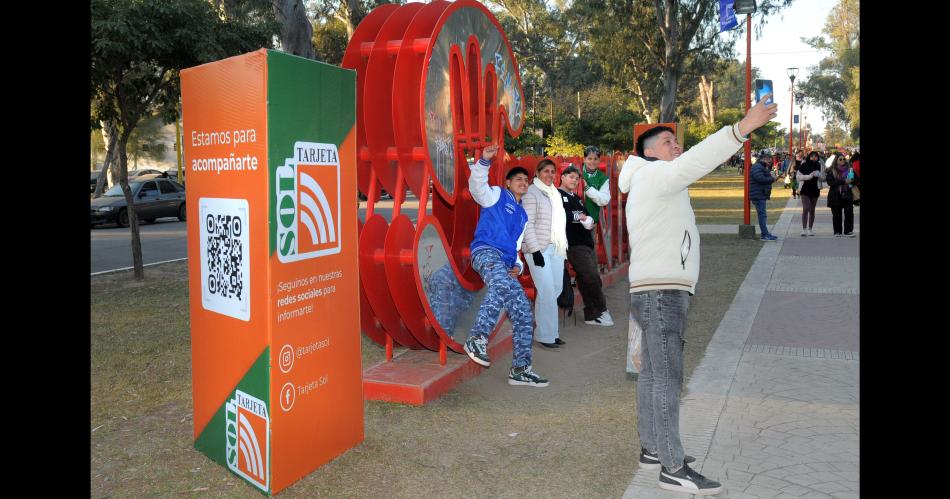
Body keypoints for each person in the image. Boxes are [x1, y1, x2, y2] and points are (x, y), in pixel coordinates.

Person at [617, 94, 777, 496]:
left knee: (653, 375)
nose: (678, 147)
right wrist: (742, 128)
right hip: (662, 294)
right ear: (651, 152)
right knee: (666, 378)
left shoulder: (648, 179)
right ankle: (672, 466)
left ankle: (654, 449)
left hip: (653, 290)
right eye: (670, 143)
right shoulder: (656, 175)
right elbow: (698, 160)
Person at [463, 144, 549, 387]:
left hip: (505, 263)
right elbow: (477, 188)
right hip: (485, 253)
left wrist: (519, 267)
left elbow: (518, 249)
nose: (523, 182)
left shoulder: (522, 216)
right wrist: (483, 162)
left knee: (523, 313)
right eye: (518, 179)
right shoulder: (497, 195)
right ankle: (477, 338)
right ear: (509, 183)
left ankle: (521, 369)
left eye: (526, 180)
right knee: (500, 284)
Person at [557, 165, 613, 327]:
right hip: (573, 244)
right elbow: (563, 215)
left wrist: (584, 218)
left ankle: (591, 314)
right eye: (571, 176)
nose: (574, 180)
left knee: (585, 278)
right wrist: (580, 217)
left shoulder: (577, 198)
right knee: (591, 276)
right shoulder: (557, 195)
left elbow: (587, 217)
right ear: (562, 177)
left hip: (586, 243)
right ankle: (602, 309)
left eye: (577, 178)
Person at [521, 158, 569, 348]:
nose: (549, 175)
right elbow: (528, 224)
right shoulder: (531, 192)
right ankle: (546, 335)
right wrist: (535, 250)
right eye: (545, 171)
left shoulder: (554, 193)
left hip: (555, 247)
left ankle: (549, 332)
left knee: (554, 289)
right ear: (537, 173)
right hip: (538, 248)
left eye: (552, 171)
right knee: (547, 290)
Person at [580, 145, 611, 241]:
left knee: (590, 247)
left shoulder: (603, 178)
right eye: (589, 158)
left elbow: (604, 200)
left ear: (599, 160)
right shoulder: (576, 171)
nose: (592, 162)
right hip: (574, 219)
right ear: (584, 159)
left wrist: (587, 188)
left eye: (595, 159)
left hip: (591, 220)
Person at [749, 149, 781, 241]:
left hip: (760, 193)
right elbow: (760, 179)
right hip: (758, 194)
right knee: (762, 215)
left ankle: (765, 233)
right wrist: (772, 179)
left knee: (762, 215)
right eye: (769, 160)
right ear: (763, 159)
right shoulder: (757, 167)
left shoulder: (761, 167)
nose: (770, 162)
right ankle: (764, 234)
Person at [825, 153, 857, 237]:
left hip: (847, 194)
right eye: (840, 159)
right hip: (835, 195)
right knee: (836, 215)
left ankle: (848, 231)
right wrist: (844, 181)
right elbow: (830, 182)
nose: (842, 160)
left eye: (844, 159)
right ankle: (837, 231)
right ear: (836, 161)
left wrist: (852, 181)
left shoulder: (850, 170)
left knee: (849, 213)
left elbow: (857, 179)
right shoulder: (832, 170)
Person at [796, 150, 823, 236]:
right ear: (809, 157)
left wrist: (819, 175)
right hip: (805, 189)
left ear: (818, 157)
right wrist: (809, 176)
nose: (814, 157)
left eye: (815, 156)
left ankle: (810, 229)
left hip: (815, 189)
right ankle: (804, 229)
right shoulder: (803, 165)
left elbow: (824, 177)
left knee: (812, 210)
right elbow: (798, 177)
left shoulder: (820, 165)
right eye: (812, 156)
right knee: (806, 208)